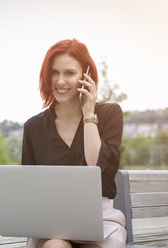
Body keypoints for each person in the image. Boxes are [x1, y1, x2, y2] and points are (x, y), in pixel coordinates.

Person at [21, 39, 126, 248]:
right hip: (50, 223)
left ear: (85, 76)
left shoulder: (110, 114)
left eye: (69, 73)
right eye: (54, 72)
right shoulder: (33, 127)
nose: (60, 81)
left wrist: (89, 114)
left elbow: (97, 166)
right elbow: (29, 188)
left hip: (99, 218)